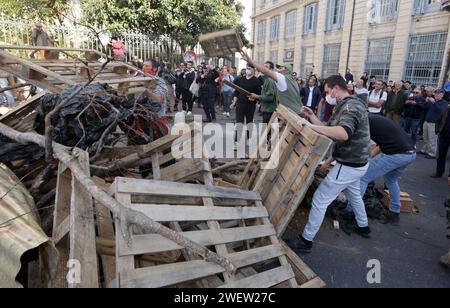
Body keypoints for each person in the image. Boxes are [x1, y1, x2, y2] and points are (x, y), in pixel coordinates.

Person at [285, 75, 371, 253]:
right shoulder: (345, 105)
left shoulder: (350, 106)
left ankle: (306, 241)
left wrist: (310, 127)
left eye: (326, 91)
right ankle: (364, 227)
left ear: (335, 88)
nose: (326, 95)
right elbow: (328, 127)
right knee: (354, 195)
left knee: (319, 199)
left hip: (349, 164)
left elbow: (342, 133)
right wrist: (312, 117)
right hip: (358, 163)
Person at [343, 114, 416, 226]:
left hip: (396, 154)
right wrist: (369, 157)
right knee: (391, 180)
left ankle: (350, 211)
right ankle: (394, 213)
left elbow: (360, 145)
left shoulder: (364, 124)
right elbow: (380, 145)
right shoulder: (375, 120)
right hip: (410, 153)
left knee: (362, 178)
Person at [422, 89, 448, 159]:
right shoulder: (433, 101)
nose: (436, 94)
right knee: (425, 137)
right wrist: (426, 102)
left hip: (434, 123)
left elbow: (441, 111)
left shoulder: (444, 102)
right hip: (427, 121)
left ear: (442, 95)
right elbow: (424, 108)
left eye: (438, 93)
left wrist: (434, 103)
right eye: (436, 93)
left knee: (432, 139)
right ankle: (425, 150)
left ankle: (432, 153)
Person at [431, 102, 450, 180]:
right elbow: (439, 120)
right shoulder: (446, 110)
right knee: (441, 155)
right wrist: (438, 131)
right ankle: (439, 172)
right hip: (444, 135)